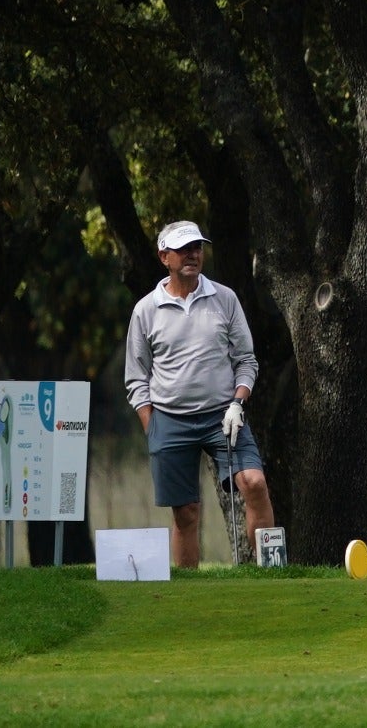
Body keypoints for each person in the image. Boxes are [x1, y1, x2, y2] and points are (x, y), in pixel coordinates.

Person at [124, 220, 275, 568]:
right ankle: (189, 591)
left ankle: (272, 572)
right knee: (186, 513)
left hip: (223, 416)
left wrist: (238, 402)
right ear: (165, 257)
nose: (193, 254)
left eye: (197, 247)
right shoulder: (146, 310)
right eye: (183, 249)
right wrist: (153, 427)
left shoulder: (224, 298)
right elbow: (136, 378)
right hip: (169, 419)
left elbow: (246, 360)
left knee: (253, 482)